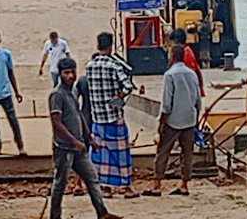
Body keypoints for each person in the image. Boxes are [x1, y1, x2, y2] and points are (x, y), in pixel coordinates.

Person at [47, 58, 121, 219]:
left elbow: (79, 115)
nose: (70, 76)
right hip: (64, 148)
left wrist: (89, 138)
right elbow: (56, 123)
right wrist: (74, 141)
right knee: (60, 182)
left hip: (78, 146)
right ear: (60, 74)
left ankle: (102, 213)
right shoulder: (57, 95)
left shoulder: (72, 92)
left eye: (72, 72)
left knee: (92, 178)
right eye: (66, 73)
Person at [81, 32, 138, 197]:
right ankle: (126, 186)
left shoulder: (89, 66)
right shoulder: (114, 66)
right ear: (111, 46)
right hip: (114, 116)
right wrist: (118, 98)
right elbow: (128, 86)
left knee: (101, 154)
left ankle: (104, 187)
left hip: (97, 118)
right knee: (121, 153)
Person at [146, 47, 202, 196]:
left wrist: (161, 123)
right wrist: (196, 118)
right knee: (187, 153)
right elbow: (198, 100)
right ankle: (184, 185)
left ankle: (157, 185)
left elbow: (166, 103)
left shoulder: (169, 75)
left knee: (163, 151)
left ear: (171, 57)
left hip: (173, 120)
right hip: (189, 119)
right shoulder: (192, 74)